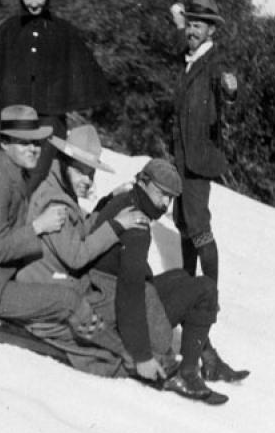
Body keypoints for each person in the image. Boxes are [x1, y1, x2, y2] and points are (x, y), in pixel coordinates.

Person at [15, 125, 179, 379]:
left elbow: (77, 228)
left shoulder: (60, 191)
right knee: (107, 347)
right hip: (48, 301)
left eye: (91, 173)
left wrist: (106, 202)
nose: (88, 180)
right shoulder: (54, 201)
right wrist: (116, 225)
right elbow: (76, 256)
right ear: (64, 162)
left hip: (59, 292)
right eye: (81, 171)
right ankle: (144, 363)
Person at [91, 158, 248, 404]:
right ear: (142, 183)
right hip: (117, 310)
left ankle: (208, 358)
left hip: (105, 292)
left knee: (181, 277)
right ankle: (187, 373)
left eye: (171, 198)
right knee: (205, 288)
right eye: (161, 194)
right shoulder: (137, 226)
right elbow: (130, 292)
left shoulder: (122, 201)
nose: (165, 204)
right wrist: (142, 355)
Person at [0, 106, 101, 341]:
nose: (33, 149)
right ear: (5, 143)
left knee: (71, 292)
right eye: (24, 143)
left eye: (37, 143)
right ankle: (114, 352)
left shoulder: (12, 171)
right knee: (69, 301)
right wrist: (38, 227)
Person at [0, 0, 114, 194]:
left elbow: (85, 73)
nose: (34, 3)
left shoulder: (63, 31)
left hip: (49, 123)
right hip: (12, 120)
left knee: (35, 180)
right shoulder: (10, 29)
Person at [167, 0, 237, 289]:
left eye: (198, 26)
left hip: (198, 158)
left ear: (212, 30)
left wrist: (231, 91)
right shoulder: (190, 56)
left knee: (198, 227)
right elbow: (178, 44)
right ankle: (187, 287)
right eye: (190, 25)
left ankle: (208, 298)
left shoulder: (216, 61)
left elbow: (228, 88)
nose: (192, 31)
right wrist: (179, 23)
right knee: (184, 222)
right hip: (182, 157)